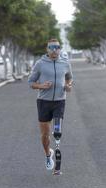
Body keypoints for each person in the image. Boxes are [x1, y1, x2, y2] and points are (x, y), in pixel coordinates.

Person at [28, 39, 73, 171]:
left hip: (59, 101)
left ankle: (58, 149)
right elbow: (31, 82)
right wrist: (41, 85)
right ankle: (48, 154)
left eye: (57, 47)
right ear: (47, 49)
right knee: (45, 134)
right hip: (44, 102)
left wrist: (68, 85)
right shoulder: (40, 64)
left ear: (60, 49)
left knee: (57, 131)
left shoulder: (65, 63)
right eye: (51, 47)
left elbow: (69, 78)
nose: (54, 50)